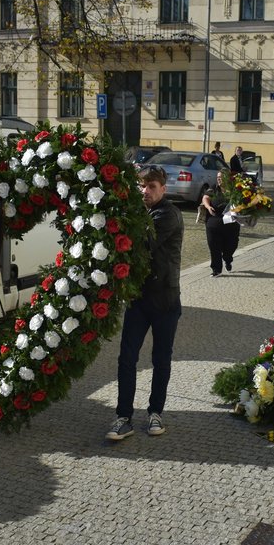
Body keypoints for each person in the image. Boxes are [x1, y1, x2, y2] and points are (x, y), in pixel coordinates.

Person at [107, 166, 184, 440]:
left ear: (163, 188)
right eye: (142, 186)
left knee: (160, 359)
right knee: (127, 357)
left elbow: (142, 242)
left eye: (152, 186)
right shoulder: (141, 211)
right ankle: (123, 416)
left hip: (165, 300)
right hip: (138, 299)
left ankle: (155, 413)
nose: (145, 191)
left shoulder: (168, 214)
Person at [201, 170, 240, 277]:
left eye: (221, 177)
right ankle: (216, 269)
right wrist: (208, 207)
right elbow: (205, 197)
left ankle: (227, 259)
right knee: (214, 246)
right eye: (218, 177)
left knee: (232, 245)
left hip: (231, 223)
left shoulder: (235, 189)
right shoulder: (214, 188)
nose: (219, 179)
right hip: (214, 221)